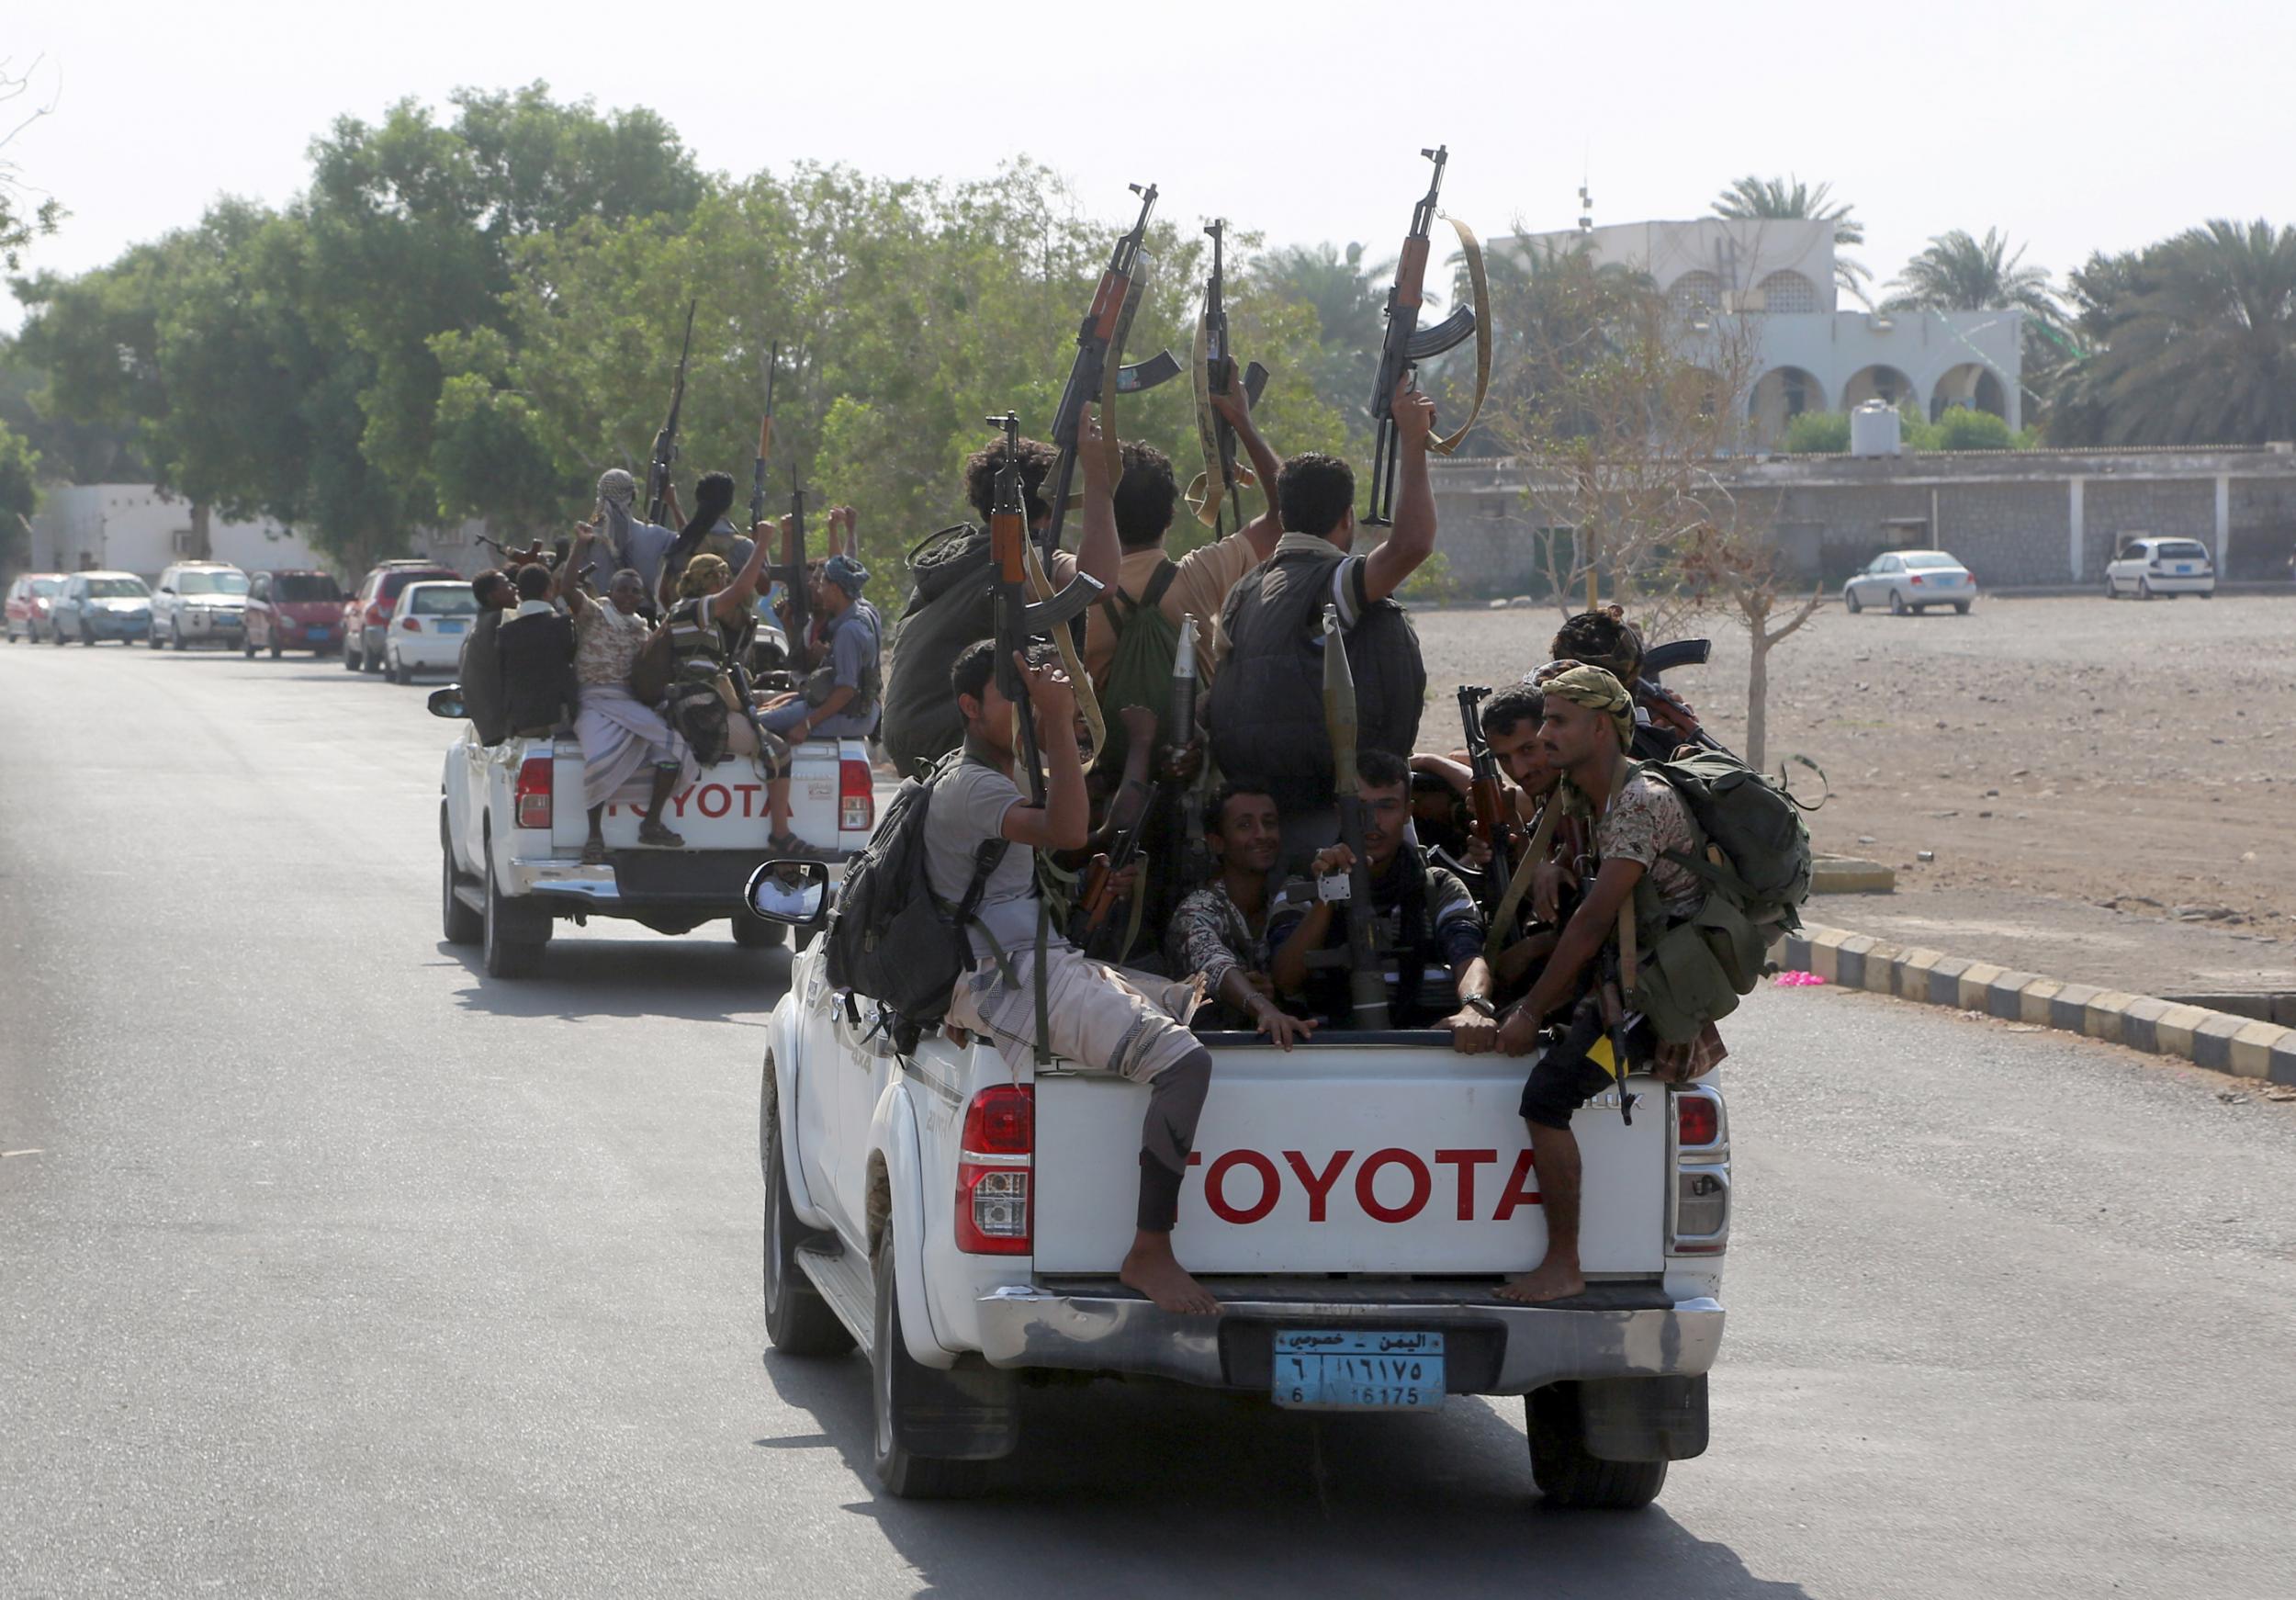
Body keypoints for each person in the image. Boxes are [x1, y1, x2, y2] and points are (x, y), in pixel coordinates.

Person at [932, 638, 1219, 1315]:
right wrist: (1058, 716)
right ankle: (1149, 1249)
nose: (1032, 708)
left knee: (1188, 1002)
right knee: (1185, 1065)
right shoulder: (973, 784)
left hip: (1025, 961)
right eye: (1018, 698)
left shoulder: (989, 771)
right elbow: (1068, 829)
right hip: (1006, 976)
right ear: (971, 708)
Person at [1490, 665, 1728, 1305]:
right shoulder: (1589, 796)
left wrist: (1531, 1010)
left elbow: (1595, 920)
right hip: (1624, 981)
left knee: (1546, 1098)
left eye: (1558, 721)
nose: (1544, 735)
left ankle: (1563, 1264)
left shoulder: (1638, 803)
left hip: (1651, 1001)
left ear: (1600, 728)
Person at [1206, 381, 1439, 873]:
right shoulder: (1328, 584)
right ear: (1347, 519)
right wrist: (1414, 442)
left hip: (1267, 814)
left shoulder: (1246, 591)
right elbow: (1410, 545)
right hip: (1337, 818)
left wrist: (1245, 423)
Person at [878, 408, 1122, 775]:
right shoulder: (1023, 557)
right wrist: (1099, 483)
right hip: (955, 747)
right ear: (1052, 502)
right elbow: (1098, 581)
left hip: (910, 742)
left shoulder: (957, 559)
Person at [1267, 749, 1498, 1039]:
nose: (1372, 822)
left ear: (1407, 813)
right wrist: (1330, 893)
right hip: (1326, 1055)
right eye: (1360, 808)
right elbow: (1286, 979)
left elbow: (1468, 954)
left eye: (1386, 806)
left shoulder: (1437, 886)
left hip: (1423, 1053)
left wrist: (1474, 1008)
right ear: (1340, 813)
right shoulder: (1303, 885)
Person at [1081, 387, 1283, 693]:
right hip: (1195, 739)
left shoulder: (1082, 593)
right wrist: (1242, 422)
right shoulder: (1201, 575)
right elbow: (1285, 514)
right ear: (1171, 517)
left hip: (1111, 741)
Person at [562, 534, 694, 859]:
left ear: (640, 598)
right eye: (622, 588)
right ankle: (595, 836)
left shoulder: (642, 629)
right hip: (593, 700)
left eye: (635, 591)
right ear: (610, 591)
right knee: (597, 760)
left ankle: (652, 823)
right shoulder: (593, 613)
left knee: (671, 751)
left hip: (628, 702)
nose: (628, 595)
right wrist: (579, 546)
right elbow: (566, 589)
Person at [1165, 784, 1314, 1048]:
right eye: (1245, 825)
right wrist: (1261, 1005)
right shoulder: (1198, 909)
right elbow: (1213, 964)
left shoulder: (1287, 903)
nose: (1262, 834)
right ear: (1217, 843)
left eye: (1269, 823)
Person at [754, 550, 882, 848]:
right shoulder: (866, 611)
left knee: (761, 723)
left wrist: (807, 725)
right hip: (858, 711)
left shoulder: (850, 631)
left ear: (837, 589)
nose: (819, 590)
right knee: (774, 705)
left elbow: (846, 689)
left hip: (847, 715)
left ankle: (780, 830)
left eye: (823, 584)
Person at [661, 534, 780, 779]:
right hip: (702, 707)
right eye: (723, 576)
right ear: (711, 579)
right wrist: (761, 546)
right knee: (781, 751)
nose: (727, 581)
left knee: (782, 701)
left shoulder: (686, 609)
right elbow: (742, 590)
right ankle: (780, 819)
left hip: (707, 700)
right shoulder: (695, 608)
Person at [494, 563, 579, 738]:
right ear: (548, 591)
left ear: (518, 592)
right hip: (557, 717)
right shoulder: (563, 625)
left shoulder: (505, 632)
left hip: (522, 719)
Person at [657, 471, 758, 608]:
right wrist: (761, 544)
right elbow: (763, 587)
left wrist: (680, 621)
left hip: (683, 626)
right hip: (729, 628)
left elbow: (663, 594)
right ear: (729, 503)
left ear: (698, 499)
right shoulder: (743, 547)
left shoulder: (681, 544)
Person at [587, 468, 676, 602]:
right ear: (633, 496)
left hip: (598, 617)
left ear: (600, 495)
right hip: (644, 618)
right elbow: (692, 545)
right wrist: (674, 504)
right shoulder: (655, 534)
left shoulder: (586, 538)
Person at [458, 569, 516, 746]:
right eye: (507, 585)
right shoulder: (499, 621)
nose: (514, 588)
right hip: (503, 730)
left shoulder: (483, 624)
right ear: (493, 596)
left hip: (492, 729)